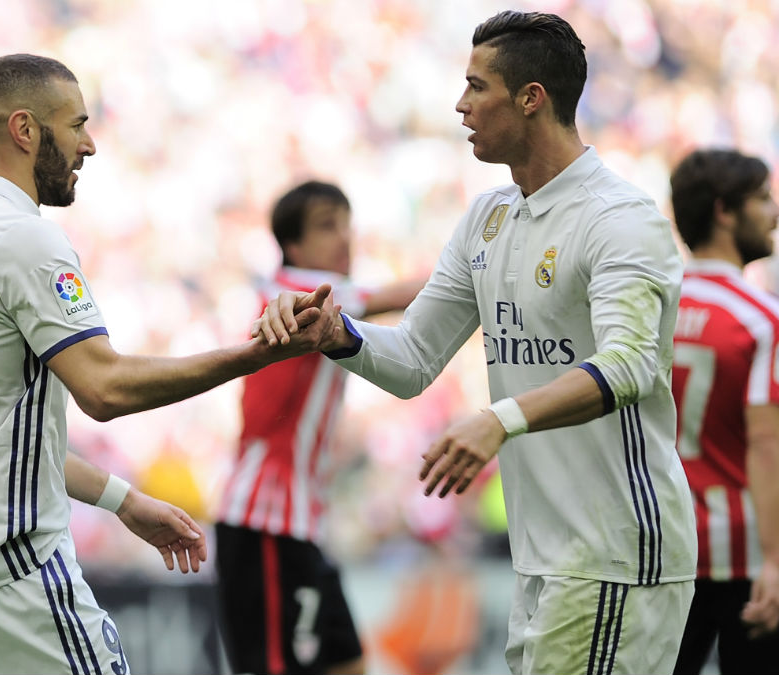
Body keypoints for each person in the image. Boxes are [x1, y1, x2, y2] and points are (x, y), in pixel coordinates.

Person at [257, 11, 697, 675]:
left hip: (616, 554)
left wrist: (500, 419)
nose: (460, 105)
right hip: (543, 555)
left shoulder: (620, 218)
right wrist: (338, 333)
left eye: (476, 87)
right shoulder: (487, 218)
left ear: (531, 99)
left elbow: (630, 365)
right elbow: (412, 360)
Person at [0, 53, 337, 675]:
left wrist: (124, 500)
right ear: (25, 129)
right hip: (3, 570)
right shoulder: (23, 238)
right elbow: (105, 388)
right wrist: (257, 354)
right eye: (76, 125)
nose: (89, 145)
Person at [216, 180, 423, 675]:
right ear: (293, 246)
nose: (345, 238)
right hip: (263, 521)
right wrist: (489, 268)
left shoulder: (308, 298)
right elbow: (407, 293)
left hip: (301, 523)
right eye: (328, 226)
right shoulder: (294, 296)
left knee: (346, 661)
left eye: (347, 224)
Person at [668, 149, 779, 674]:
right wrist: (776, 560)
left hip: (662, 544)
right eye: (761, 198)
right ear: (724, 212)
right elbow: (766, 443)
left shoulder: (653, 306)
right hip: (744, 553)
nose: (774, 211)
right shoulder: (761, 319)